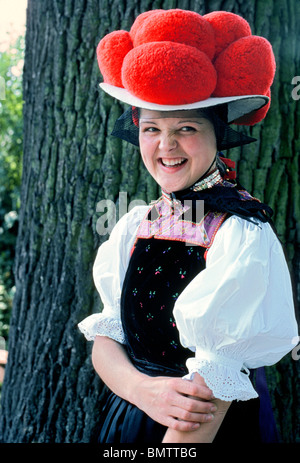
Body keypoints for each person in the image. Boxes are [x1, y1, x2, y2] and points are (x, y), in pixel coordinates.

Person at [78, 9, 299, 443]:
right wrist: (143, 391)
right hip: (133, 416)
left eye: (186, 127)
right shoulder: (135, 225)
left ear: (218, 137)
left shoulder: (240, 233)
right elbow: (107, 340)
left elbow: (210, 388)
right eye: (152, 129)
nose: (166, 145)